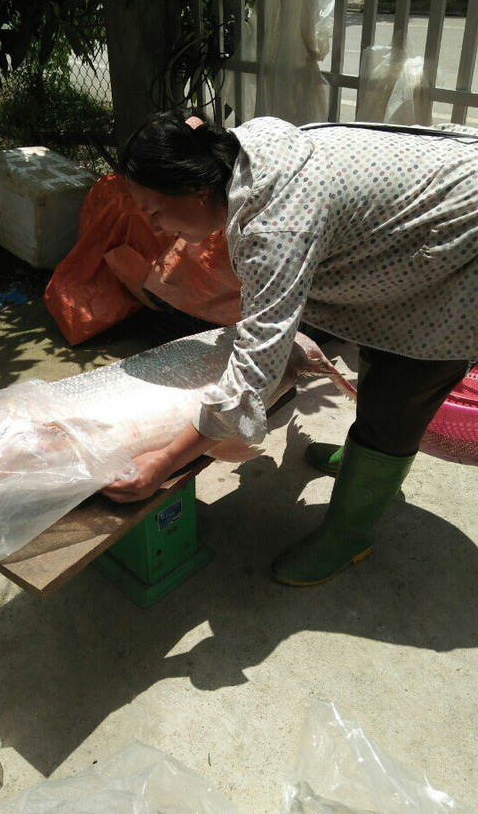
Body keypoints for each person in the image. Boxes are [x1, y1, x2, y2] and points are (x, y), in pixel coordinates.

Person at [101, 109, 477, 586]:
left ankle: (349, 534)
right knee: (382, 344)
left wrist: (164, 462)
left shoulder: (274, 228)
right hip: (429, 214)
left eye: (154, 212)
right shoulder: (238, 152)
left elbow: (252, 376)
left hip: (464, 243)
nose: (154, 229)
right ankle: (362, 461)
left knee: (401, 390)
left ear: (195, 189)